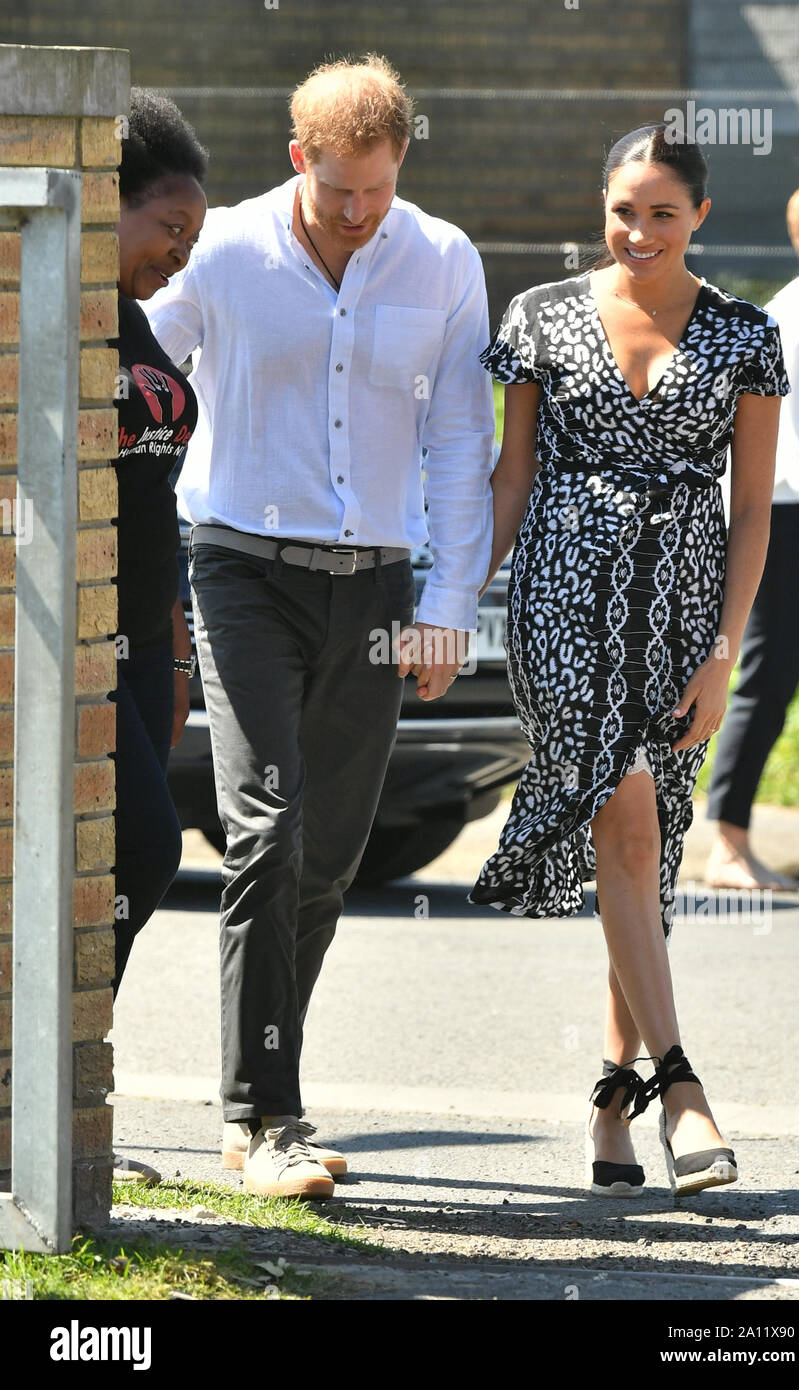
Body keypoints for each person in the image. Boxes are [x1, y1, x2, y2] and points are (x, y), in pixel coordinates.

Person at [145, 55, 494, 1199]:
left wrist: (447, 607)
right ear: (299, 156)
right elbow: (135, 366)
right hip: (240, 566)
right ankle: (268, 1113)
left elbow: (457, 440)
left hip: (381, 588)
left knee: (330, 857)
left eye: (376, 190)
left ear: (402, 164)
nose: (356, 212)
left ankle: (258, 1104)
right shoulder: (227, 249)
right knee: (267, 826)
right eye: (337, 188)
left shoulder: (442, 258)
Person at [469, 125, 789, 1196]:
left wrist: (722, 651)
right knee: (630, 813)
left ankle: (611, 1105)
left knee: (639, 859)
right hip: (560, 607)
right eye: (620, 209)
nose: (637, 230)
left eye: (661, 211)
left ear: (697, 214)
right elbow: (509, 481)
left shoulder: (744, 335)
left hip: (683, 622)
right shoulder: (538, 317)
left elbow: (752, 515)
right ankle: (684, 1091)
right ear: (598, 208)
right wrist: (442, 602)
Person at [110, 88, 208, 1182]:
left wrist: (175, 646)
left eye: (191, 236)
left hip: (144, 643)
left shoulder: (134, 314)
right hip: (69, 650)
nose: (177, 256)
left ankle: (51, 1107)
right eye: (166, 229)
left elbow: (157, 504)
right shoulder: (51, 303)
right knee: (142, 850)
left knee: (119, 858)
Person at [705, 174, 799, 889]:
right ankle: (727, 847)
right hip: (791, 526)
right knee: (766, 682)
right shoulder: (790, 318)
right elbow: (795, 446)